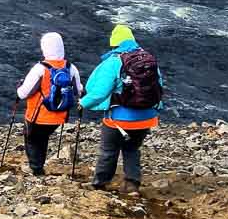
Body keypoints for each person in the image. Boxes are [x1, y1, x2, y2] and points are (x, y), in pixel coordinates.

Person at [81, 24, 163, 194]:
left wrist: (83, 103)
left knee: (108, 150)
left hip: (119, 118)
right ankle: (132, 184)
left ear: (115, 43)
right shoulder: (148, 60)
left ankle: (100, 183)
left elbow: (99, 92)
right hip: (146, 117)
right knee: (132, 149)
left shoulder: (114, 62)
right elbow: (158, 87)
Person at [15, 32, 83, 176]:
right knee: (43, 138)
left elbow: (23, 94)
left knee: (33, 139)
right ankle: (38, 165)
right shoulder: (71, 68)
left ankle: (36, 168)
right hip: (59, 117)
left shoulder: (40, 69)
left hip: (37, 116)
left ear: (44, 48)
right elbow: (79, 91)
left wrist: (18, 87)